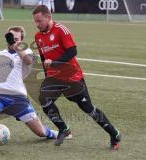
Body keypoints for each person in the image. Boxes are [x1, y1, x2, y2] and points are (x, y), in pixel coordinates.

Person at [32, 5, 121, 149]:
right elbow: (44, 59)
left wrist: (55, 63)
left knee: (88, 109)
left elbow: (72, 51)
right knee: (44, 99)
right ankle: (64, 129)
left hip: (72, 77)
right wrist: (47, 75)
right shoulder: (38, 37)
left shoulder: (61, 30)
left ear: (48, 17)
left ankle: (114, 133)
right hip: (55, 78)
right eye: (35, 21)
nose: (37, 24)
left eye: (39, 21)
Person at [0, 26, 71, 152]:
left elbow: (28, 61)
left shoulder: (29, 52)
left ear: (22, 41)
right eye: (11, 38)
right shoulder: (2, 53)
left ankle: (56, 133)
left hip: (18, 99)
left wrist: (17, 47)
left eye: (17, 39)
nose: (13, 41)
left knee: (40, 132)